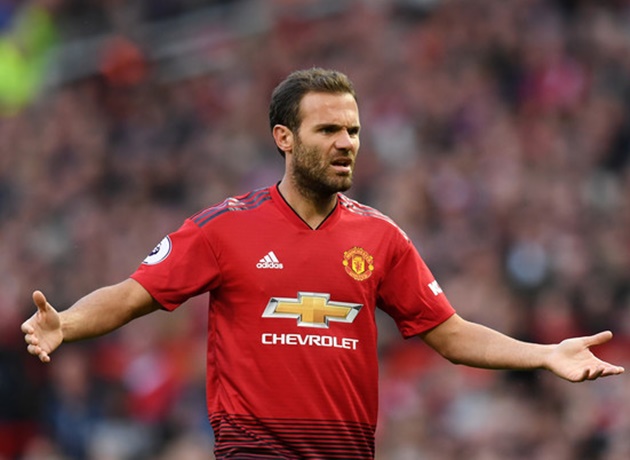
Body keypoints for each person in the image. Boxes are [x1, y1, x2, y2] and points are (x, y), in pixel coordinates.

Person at [22, 67, 624, 459]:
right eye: (329, 129)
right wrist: (66, 323)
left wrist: (544, 354)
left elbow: (452, 335)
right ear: (284, 138)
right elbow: (132, 294)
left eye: (353, 131)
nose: (346, 143)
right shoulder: (223, 227)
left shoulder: (381, 238)